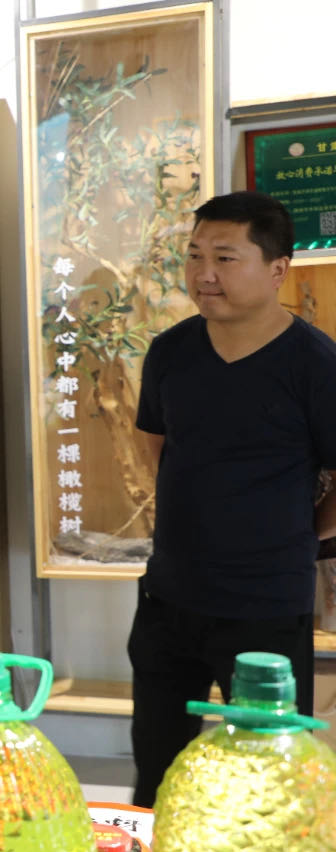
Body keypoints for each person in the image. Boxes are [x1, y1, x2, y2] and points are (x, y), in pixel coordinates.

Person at [129, 190, 336, 807]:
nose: (204, 273)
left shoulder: (315, 362)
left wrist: (303, 533)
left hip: (266, 607)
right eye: (195, 255)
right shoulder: (171, 351)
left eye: (225, 257)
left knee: (269, 783)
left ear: (277, 269)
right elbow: (157, 447)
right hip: (168, 600)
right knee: (157, 776)